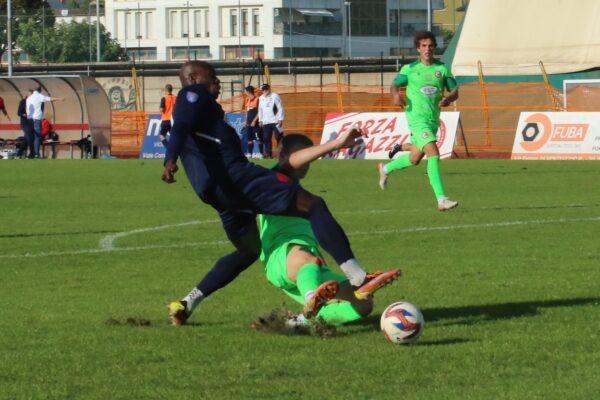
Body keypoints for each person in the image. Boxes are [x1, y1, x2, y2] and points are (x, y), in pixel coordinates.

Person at [162, 61, 400, 326]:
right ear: (194, 78)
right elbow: (181, 124)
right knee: (313, 205)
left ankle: (188, 302)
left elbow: (184, 128)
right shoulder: (191, 95)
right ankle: (358, 276)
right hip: (236, 178)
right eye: (213, 76)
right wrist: (170, 159)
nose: (217, 82)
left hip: (221, 195)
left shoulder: (205, 114)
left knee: (248, 251)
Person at [260, 131, 399, 326]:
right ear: (283, 156)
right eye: (304, 156)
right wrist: (336, 144)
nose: (307, 163)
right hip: (282, 259)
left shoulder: (295, 191)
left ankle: (300, 321)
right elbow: (292, 162)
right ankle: (312, 299)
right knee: (305, 257)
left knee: (364, 305)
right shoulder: (270, 180)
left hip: (308, 266)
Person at [378, 31, 459, 211]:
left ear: (434, 48)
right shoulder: (410, 69)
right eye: (423, 46)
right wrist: (395, 95)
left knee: (415, 158)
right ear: (418, 49)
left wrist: (448, 99)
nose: (427, 49)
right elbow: (394, 84)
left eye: (430, 45)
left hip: (432, 120)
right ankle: (441, 199)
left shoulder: (443, 69)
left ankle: (385, 170)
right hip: (416, 119)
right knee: (433, 153)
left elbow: (455, 92)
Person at [26, 86, 63, 158]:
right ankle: (36, 154)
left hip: (29, 119)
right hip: (36, 119)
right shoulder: (39, 96)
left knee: (31, 137)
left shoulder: (29, 98)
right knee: (37, 137)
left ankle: (31, 153)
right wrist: (59, 99)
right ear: (40, 91)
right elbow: (49, 99)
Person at [257, 83, 284, 158]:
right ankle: (269, 154)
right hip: (266, 122)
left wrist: (281, 119)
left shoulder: (275, 96)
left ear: (269, 88)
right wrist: (260, 120)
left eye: (266, 89)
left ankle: (281, 153)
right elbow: (260, 110)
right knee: (266, 138)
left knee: (279, 137)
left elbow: (280, 107)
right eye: (263, 89)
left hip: (276, 121)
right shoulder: (261, 98)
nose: (265, 90)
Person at [242, 85, 261, 158]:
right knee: (249, 139)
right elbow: (246, 112)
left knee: (258, 138)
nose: (245, 93)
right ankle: (250, 153)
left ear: (248, 91)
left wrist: (254, 121)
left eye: (245, 91)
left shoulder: (257, 99)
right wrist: (246, 122)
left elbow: (259, 112)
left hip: (255, 123)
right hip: (249, 123)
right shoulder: (247, 99)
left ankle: (260, 154)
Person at [16, 93, 31, 158]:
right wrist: (24, 114)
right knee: (28, 136)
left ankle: (20, 153)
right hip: (25, 122)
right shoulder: (23, 102)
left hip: (31, 122)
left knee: (27, 138)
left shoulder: (33, 102)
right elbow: (19, 112)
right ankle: (31, 153)